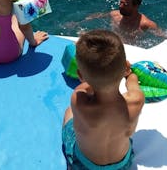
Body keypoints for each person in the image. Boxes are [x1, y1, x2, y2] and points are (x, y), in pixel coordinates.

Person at [62, 29, 145, 169]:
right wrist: (129, 74)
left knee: (69, 112)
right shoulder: (136, 100)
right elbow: (132, 80)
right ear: (125, 66)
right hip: (121, 166)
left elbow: (84, 86)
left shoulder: (78, 99)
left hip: (83, 165)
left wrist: (90, 74)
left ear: (80, 76)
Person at [86, 0, 164, 43]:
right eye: (121, 2)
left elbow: (162, 36)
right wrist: (77, 23)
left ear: (136, 6)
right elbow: (97, 16)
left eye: (125, 4)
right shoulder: (114, 15)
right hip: (114, 46)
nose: (121, 6)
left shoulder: (145, 24)